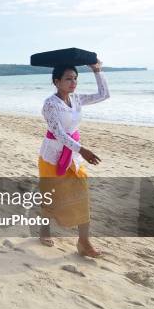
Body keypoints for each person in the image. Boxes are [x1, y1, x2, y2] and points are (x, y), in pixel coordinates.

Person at [38, 60, 110, 257]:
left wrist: (97, 71)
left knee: (82, 192)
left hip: (73, 156)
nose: (73, 82)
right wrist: (83, 150)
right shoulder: (50, 105)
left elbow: (104, 94)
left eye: (75, 78)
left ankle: (84, 243)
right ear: (56, 81)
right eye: (68, 78)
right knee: (51, 197)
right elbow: (60, 134)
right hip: (52, 156)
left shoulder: (77, 99)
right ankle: (44, 230)